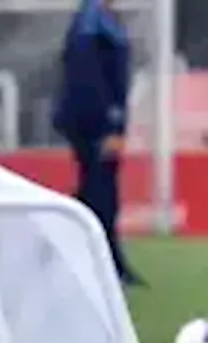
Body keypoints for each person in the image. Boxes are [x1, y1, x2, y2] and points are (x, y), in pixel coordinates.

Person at [54, 0, 144, 286]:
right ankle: (100, 263)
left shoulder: (97, 20)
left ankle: (104, 260)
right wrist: (109, 127)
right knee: (100, 193)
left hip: (92, 122)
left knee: (96, 190)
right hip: (94, 124)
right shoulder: (92, 25)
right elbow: (90, 82)